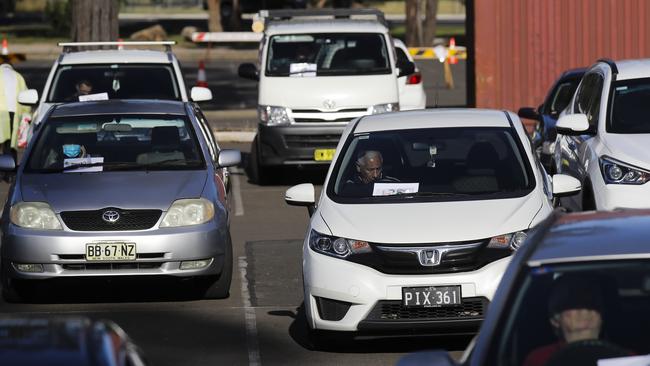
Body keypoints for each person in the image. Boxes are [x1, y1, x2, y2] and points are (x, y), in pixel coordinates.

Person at [523, 274, 627, 366]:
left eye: (593, 304)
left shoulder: (626, 359)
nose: (585, 310)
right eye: (573, 304)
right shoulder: (539, 360)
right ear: (555, 320)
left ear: (602, 317)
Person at [0, 55, 30, 161]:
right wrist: (26, 115)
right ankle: (10, 172)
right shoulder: (18, 76)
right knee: (11, 146)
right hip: (14, 113)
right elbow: (26, 98)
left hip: (0, 113)